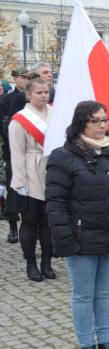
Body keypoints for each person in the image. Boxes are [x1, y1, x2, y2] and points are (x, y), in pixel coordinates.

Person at [45, 100, 109, 349]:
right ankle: (87, 342)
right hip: (81, 238)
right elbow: (55, 203)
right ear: (81, 123)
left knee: (106, 293)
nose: (102, 125)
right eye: (95, 121)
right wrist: (64, 238)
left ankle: (106, 341)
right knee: (83, 294)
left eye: (105, 120)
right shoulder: (63, 156)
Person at [8, 78, 54, 281]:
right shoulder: (20, 119)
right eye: (39, 92)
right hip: (30, 170)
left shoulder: (55, 113)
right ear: (29, 95)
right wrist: (20, 182)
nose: (44, 95)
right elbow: (16, 153)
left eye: (46, 92)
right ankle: (31, 264)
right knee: (30, 220)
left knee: (48, 221)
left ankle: (47, 263)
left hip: (51, 170)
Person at [0, 68, 29, 244]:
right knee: (13, 189)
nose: (24, 80)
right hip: (12, 151)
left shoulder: (31, 98)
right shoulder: (6, 100)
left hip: (31, 152)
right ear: (15, 79)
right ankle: (12, 227)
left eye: (27, 77)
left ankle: (29, 226)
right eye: (21, 77)